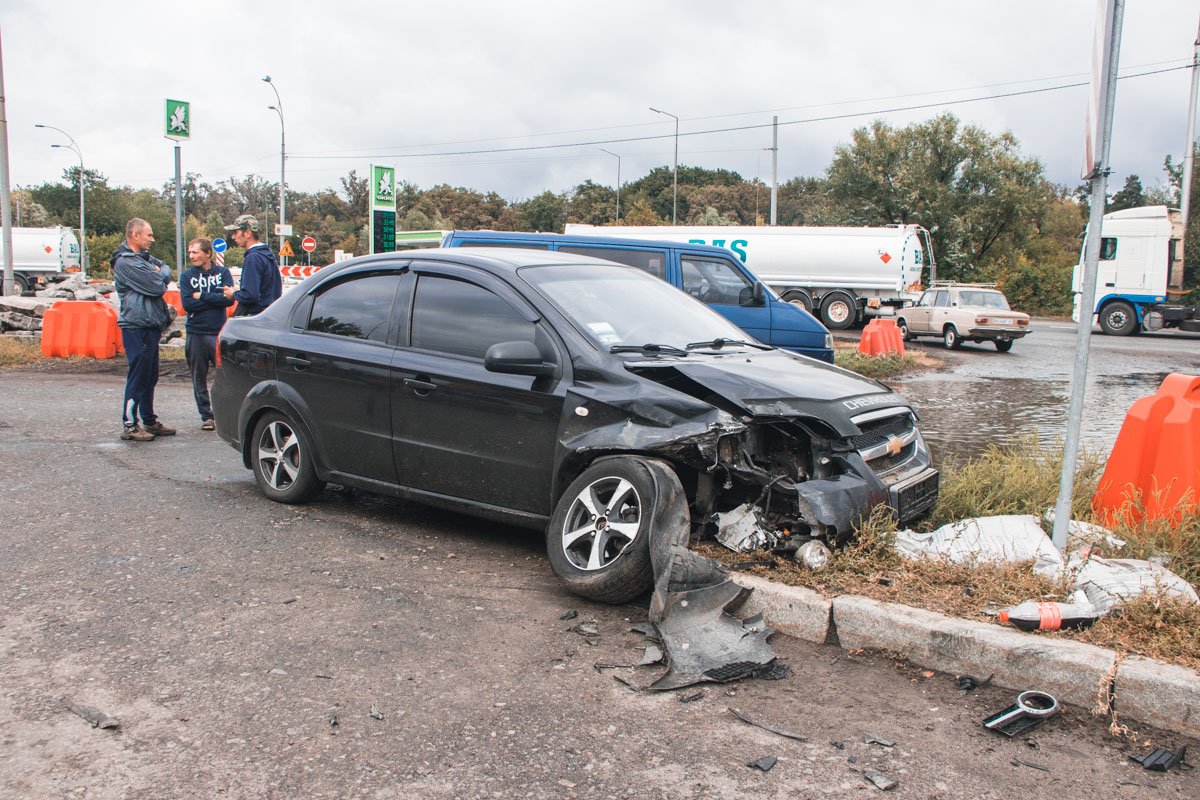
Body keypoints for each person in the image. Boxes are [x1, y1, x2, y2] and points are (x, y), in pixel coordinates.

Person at [113, 218, 175, 442]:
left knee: (150, 374)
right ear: (135, 235)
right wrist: (159, 275)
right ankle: (130, 425)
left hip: (150, 324)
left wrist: (160, 272)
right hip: (136, 325)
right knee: (139, 374)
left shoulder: (144, 259)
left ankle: (149, 420)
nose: (152, 239)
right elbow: (157, 286)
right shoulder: (126, 262)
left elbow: (165, 267)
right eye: (149, 235)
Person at [180, 237, 234, 430]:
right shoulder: (186, 277)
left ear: (207, 254)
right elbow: (187, 304)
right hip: (195, 332)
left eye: (195, 252)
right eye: (190, 252)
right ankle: (207, 416)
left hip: (218, 332)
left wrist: (202, 295)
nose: (191, 256)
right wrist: (215, 299)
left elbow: (228, 300)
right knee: (198, 376)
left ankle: (227, 414)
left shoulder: (223, 273)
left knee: (226, 375)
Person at [222, 214, 282, 316]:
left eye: (236, 232)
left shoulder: (252, 258)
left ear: (247, 233)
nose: (233, 237)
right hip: (270, 315)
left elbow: (251, 296)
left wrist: (233, 294)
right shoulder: (268, 255)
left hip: (255, 317)